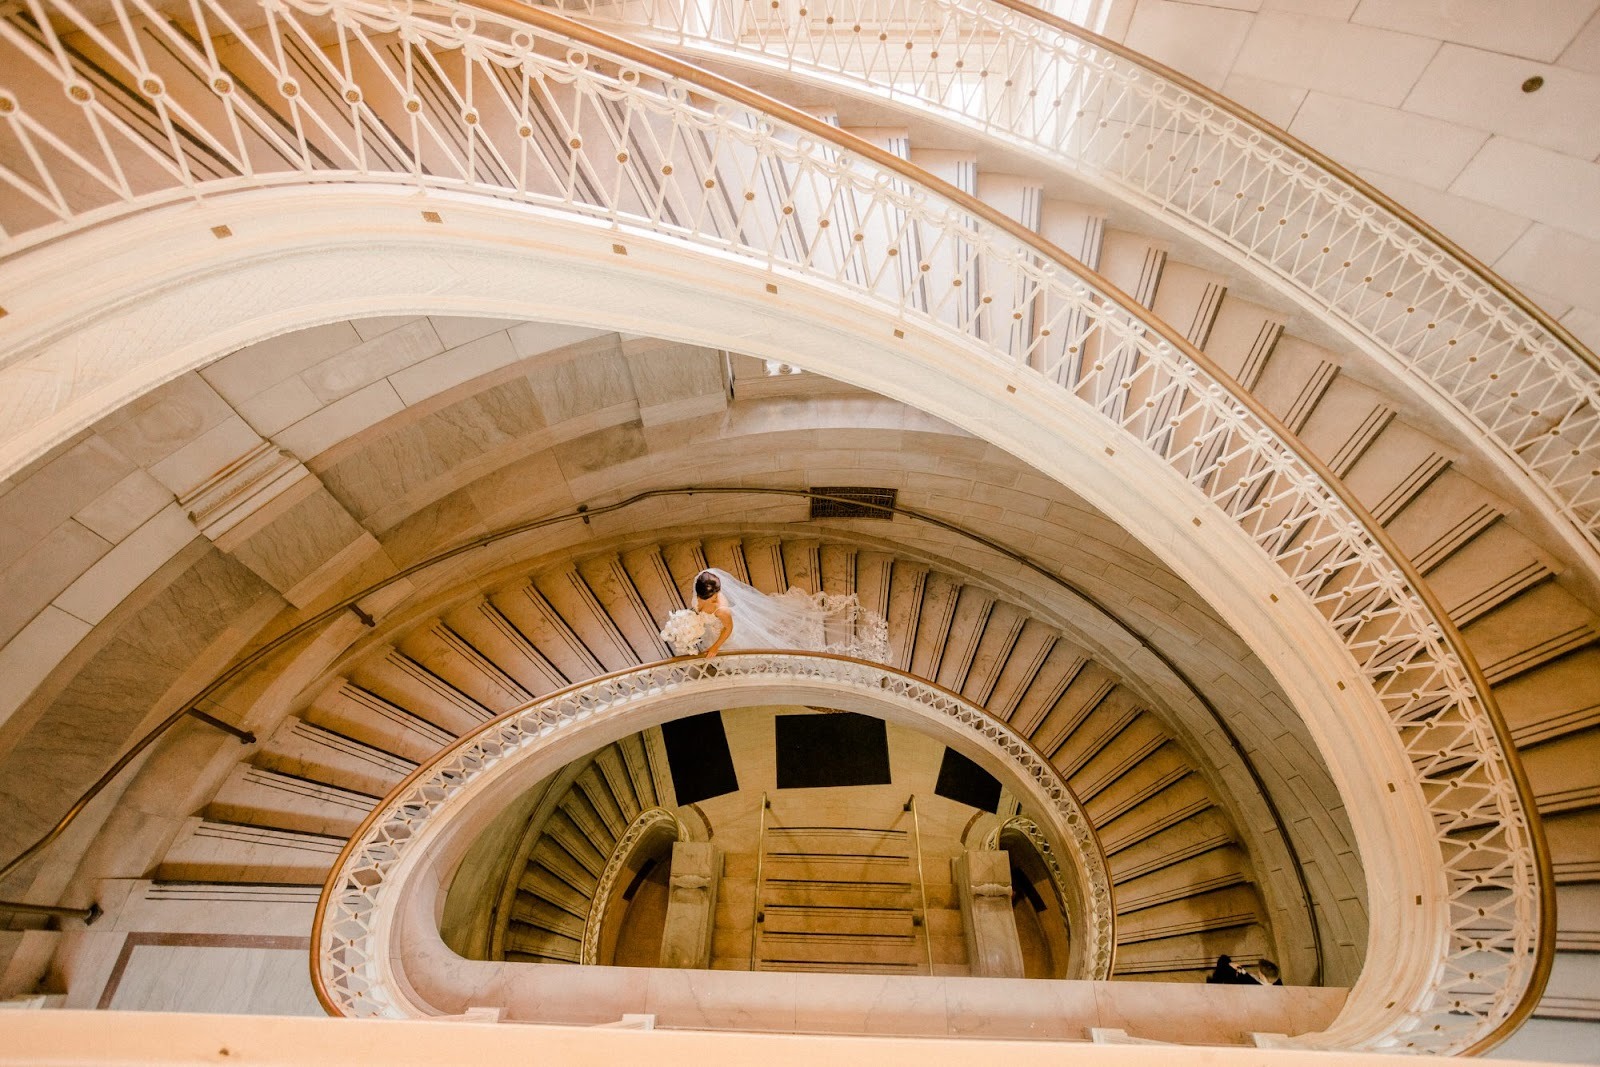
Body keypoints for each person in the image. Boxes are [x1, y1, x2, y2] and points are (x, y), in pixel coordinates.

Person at [662, 567, 890, 663]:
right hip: (711, 629)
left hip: (725, 636)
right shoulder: (700, 586)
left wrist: (714, 648)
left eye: (716, 596)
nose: (715, 599)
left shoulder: (722, 609)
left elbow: (728, 629)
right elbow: (697, 607)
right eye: (711, 597)